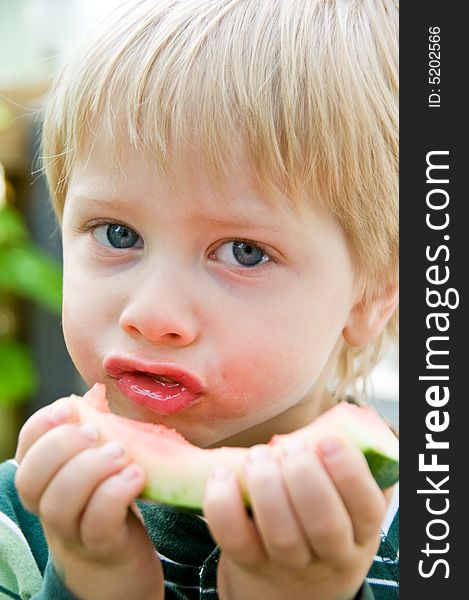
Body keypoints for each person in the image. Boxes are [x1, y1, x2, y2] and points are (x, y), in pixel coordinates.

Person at [0, 0, 399, 598]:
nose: (153, 316)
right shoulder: (20, 524)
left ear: (372, 296)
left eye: (243, 251)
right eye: (118, 234)